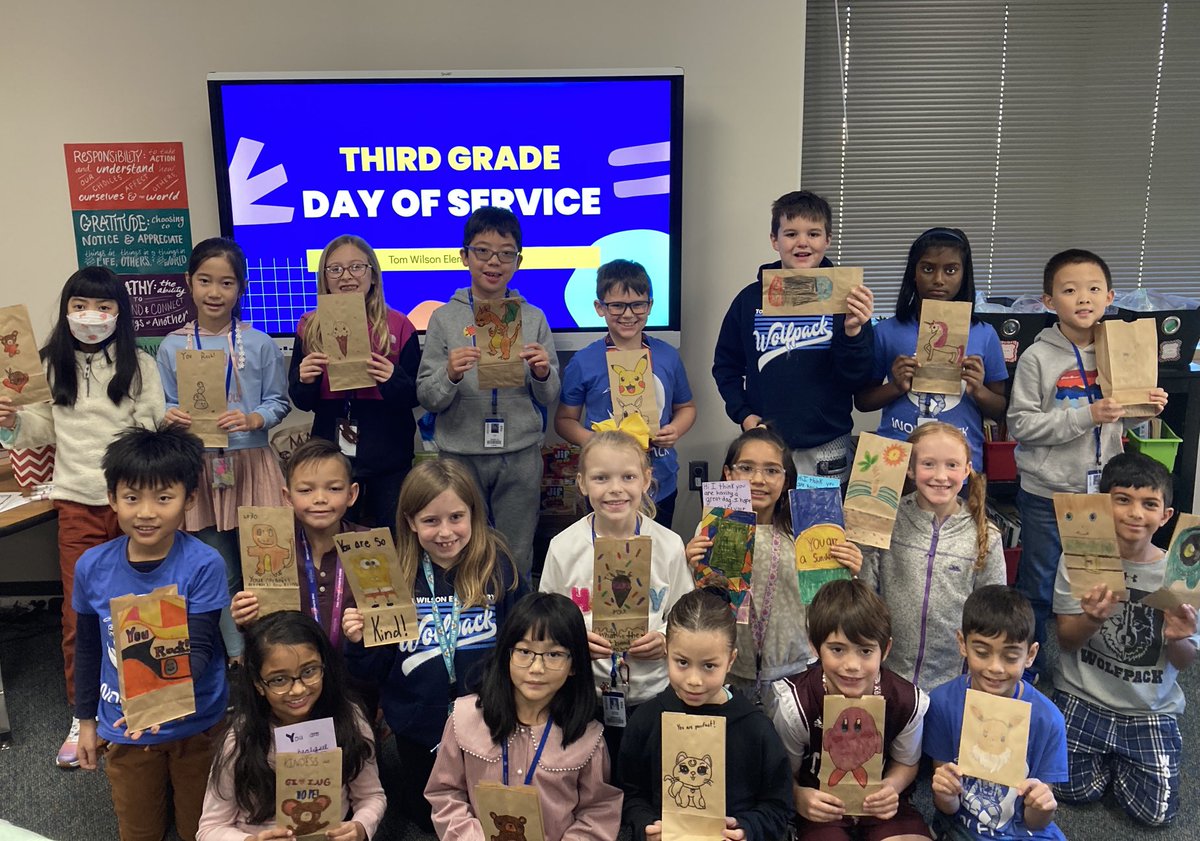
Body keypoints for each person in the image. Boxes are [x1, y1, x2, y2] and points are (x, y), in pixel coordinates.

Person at [0, 265, 164, 767]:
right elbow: (43, 424)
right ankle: (84, 714)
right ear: (67, 309)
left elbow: (151, 425)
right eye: (80, 305)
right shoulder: (53, 364)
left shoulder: (139, 364)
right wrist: (12, 422)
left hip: (134, 506)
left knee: (145, 608)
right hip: (76, 505)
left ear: (120, 312)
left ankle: (147, 704)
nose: (91, 316)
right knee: (80, 613)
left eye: (104, 306)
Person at [342, 458, 529, 832]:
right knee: (425, 820)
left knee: (486, 815)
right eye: (430, 521)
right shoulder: (390, 574)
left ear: (474, 515)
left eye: (456, 517)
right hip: (417, 725)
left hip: (488, 720)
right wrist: (360, 643)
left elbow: (521, 644)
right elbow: (372, 670)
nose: (445, 532)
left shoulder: (499, 568)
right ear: (410, 522)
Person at [1007, 249, 1168, 677]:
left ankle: (1084, 665)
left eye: (1094, 289)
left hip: (1100, 494)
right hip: (1047, 493)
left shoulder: (1119, 351)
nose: (1083, 298)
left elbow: (1122, 415)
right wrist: (1086, 415)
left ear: (1110, 297)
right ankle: (1033, 668)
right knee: (1040, 586)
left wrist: (1147, 408)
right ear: (1048, 301)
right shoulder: (1036, 359)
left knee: (1093, 584)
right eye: (1070, 289)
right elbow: (1020, 425)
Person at [73, 426, 228, 841]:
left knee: (202, 828)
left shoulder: (203, 564)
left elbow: (199, 646)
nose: (146, 512)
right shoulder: (92, 566)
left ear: (188, 500)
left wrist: (158, 700)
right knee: (139, 827)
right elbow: (88, 648)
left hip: (196, 721)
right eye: (131, 497)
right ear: (112, 499)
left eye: (163, 498)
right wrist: (85, 721)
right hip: (124, 723)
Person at [158, 237, 290, 661]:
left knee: (267, 564)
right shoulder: (171, 346)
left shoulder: (260, 343)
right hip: (199, 467)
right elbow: (159, 403)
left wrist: (255, 419)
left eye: (227, 283)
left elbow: (279, 401)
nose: (215, 293)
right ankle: (237, 656)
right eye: (205, 281)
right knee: (220, 567)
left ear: (241, 287)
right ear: (189, 283)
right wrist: (169, 415)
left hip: (252, 462)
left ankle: (274, 652)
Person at [1052, 453, 1199, 826]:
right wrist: (1090, 618)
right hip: (1084, 694)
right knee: (1071, 791)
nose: (1135, 513)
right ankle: (1108, 754)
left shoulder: (1180, 574)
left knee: (1156, 815)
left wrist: (1179, 638)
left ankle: (1125, 755)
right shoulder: (1078, 557)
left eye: (1149, 504)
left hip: (1149, 708)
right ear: (1103, 504)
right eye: (1122, 499)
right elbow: (1066, 641)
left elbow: (1183, 662)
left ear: (1165, 516)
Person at [416, 206, 560, 577]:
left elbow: (550, 396)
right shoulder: (444, 319)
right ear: (464, 256)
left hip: (520, 451)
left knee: (518, 549)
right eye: (482, 251)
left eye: (505, 253)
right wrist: (448, 375)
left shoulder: (534, 318)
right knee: (461, 547)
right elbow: (428, 396)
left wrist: (542, 373)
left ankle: (517, 626)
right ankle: (469, 623)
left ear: (518, 260)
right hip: (459, 454)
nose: (494, 261)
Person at [539, 429, 694, 764]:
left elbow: (686, 617)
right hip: (585, 693)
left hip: (652, 690)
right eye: (600, 477)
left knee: (647, 773)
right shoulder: (563, 547)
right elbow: (545, 621)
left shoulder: (669, 545)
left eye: (628, 476)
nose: (615, 488)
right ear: (581, 483)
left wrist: (667, 639)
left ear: (646, 480)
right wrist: (574, 641)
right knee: (590, 774)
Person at [425, 592, 622, 840]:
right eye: (525, 651)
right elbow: (446, 794)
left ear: (574, 665)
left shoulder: (589, 738)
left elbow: (598, 812)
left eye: (554, 655)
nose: (536, 668)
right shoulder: (464, 717)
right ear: (507, 654)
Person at [685, 425, 860, 699]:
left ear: (787, 480)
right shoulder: (709, 533)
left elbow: (830, 604)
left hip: (795, 672)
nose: (758, 479)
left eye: (771, 470)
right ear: (728, 474)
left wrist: (848, 572)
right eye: (745, 468)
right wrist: (689, 567)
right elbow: (698, 606)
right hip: (728, 672)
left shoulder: (803, 533)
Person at [713, 190, 875, 481]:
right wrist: (744, 414)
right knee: (763, 524)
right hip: (765, 444)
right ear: (774, 240)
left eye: (813, 233)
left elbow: (858, 380)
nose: (802, 242)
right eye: (791, 234)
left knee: (821, 528)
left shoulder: (847, 303)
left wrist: (853, 333)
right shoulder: (749, 300)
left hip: (827, 446)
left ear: (827, 239)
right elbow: (726, 366)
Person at [619, 589, 792, 841]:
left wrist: (747, 829)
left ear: (731, 660)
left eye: (709, 666)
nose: (694, 680)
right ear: (667, 650)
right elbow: (629, 794)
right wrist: (646, 824)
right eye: (682, 662)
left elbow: (778, 806)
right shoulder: (646, 720)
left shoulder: (755, 727)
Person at [197, 610, 385, 841]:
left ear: (325, 667)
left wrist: (360, 826)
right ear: (258, 684)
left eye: (309, 671)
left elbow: (371, 796)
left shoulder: (348, 719)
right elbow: (210, 828)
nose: (298, 689)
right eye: (279, 679)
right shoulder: (241, 739)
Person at [767, 579, 931, 840]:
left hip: (882, 807)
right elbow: (785, 774)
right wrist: (799, 797)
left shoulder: (905, 700)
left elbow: (907, 762)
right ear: (814, 646)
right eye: (837, 649)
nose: (852, 665)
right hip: (821, 808)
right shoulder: (797, 703)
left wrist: (891, 787)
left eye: (865, 651)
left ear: (885, 649)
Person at [858, 423, 1005, 691]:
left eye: (951, 465)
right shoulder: (886, 518)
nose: (940, 476)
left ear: (967, 468)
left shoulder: (987, 536)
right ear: (910, 469)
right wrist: (857, 561)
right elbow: (865, 591)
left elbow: (994, 615)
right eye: (928, 464)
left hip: (953, 683)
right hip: (888, 675)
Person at [289, 234, 421, 532]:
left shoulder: (400, 325)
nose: (346, 276)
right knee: (335, 536)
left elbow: (415, 395)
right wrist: (305, 379)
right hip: (331, 453)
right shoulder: (310, 327)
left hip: (389, 455)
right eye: (335, 269)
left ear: (373, 274)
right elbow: (301, 400)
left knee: (393, 538)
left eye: (356, 267)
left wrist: (391, 379)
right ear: (325, 278)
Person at [555, 258, 696, 526]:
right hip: (605, 483)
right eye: (617, 305)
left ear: (650, 306)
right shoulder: (584, 361)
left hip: (660, 479)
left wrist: (675, 429)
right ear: (600, 308)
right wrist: (595, 441)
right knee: (607, 557)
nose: (628, 314)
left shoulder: (667, 356)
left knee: (655, 556)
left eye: (638, 305)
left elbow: (686, 407)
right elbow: (564, 421)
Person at [854, 227, 1007, 472]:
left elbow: (1000, 408)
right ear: (913, 274)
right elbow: (862, 401)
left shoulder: (984, 334)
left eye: (951, 270)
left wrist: (978, 390)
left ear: (964, 274)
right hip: (896, 461)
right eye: (927, 268)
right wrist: (896, 386)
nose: (938, 279)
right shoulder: (886, 331)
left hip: (957, 465)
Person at [925, 586, 1067, 840]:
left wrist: (1042, 805)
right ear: (962, 644)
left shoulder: (1048, 720)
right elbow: (948, 807)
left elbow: (1037, 822)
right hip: (962, 827)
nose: (995, 667)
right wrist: (944, 793)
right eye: (981, 652)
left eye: (1011, 656)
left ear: (1031, 655)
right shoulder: (943, 703)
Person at [230, 438, 363, 643]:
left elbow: (387, 638)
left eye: (334, 488)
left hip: (357, 671)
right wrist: (248, 618)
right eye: (305, 490)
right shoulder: (274, 546)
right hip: (292, 670)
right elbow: (264, 633)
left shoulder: (370, 547)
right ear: (288, 497)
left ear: (352, 494)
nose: (320, 498)